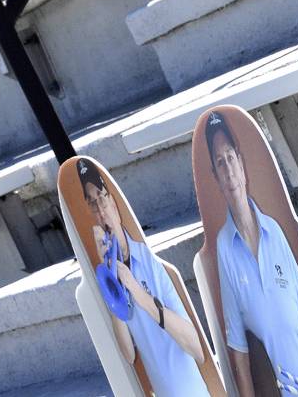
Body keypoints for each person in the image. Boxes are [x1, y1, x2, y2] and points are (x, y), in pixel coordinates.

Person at [204, 112, 298, 397]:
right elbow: (238, 352)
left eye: (230, 157)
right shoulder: (224, 248)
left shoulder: (274, 232)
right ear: (215, 176)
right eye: (219, 162)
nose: (228, 170)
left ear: (242, 163)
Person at [78, 158, 211, 397]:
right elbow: (129, 354)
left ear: (114, 203)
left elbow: (196, 348)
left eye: (102, 198)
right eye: (93, 204)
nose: (101, 210)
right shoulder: (109, 278)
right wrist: (112, 285)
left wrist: (136, 290)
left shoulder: (151, 263)